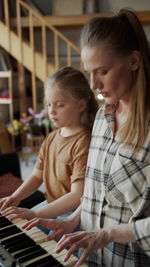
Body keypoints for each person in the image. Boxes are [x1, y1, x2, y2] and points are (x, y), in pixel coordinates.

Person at [22, 9, 150, 267]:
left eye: (102, 71)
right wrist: (71, 221)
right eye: (89, 72)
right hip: (89, 257)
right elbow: (96, 190)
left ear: (134, 61)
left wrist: (108, 234)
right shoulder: (103, 116)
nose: (93, 85)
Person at [0, 66, 98, 235]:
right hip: (50, 205)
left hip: (72, 216)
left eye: (60, 105)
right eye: (49, 104)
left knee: (28, 238)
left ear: (81, 105)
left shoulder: (84, 142)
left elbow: (77, 196)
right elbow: (37, 175)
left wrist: (34, 213)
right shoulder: (52, 137)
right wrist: (16, 197)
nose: (51, 111)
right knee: (14, 229)